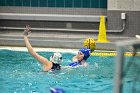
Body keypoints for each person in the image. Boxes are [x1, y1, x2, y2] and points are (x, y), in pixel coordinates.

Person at [23, 25, 91, 71]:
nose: (78, 54)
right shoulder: (60, 68)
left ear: (52, 57)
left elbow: (32, 52)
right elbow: (76, 59)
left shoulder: (47, 63)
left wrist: (25, 37)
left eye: (80, 53)